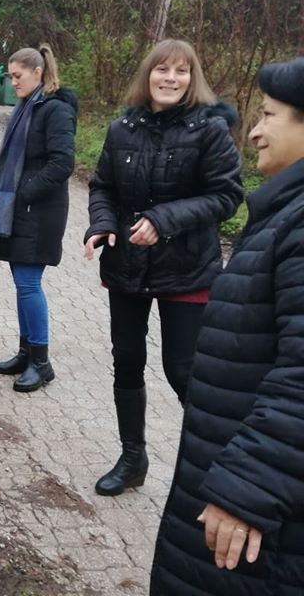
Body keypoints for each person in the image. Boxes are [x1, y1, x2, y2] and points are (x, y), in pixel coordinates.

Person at [150, 57, 304, 595]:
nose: (256, 132)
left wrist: (249, 486)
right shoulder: (287, 215)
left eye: (269, 115)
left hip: (259, 515)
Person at [83, 39, 243, 497]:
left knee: (184, 371)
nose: (171, 79)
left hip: (188, 269)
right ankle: (132, 458)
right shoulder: (121, 129)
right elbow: (103, 187)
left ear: (193, 79)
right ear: (147, 75)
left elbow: (227, 196)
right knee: (127, 362)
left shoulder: (209, 130)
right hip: (127, 266)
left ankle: (216, 471)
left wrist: (163, 219)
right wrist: (101, 225)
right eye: (162, 70)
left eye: (181, 71)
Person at [0, 44, 78, 393]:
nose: (13, 82)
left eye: (17, 76)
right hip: (19, 210)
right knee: (21, 283)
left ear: (38, 73)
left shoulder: (55, 110)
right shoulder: (26, 106)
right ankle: (25, 353)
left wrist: (24, 191)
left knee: (28, 283)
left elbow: (62, 163)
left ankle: (42, 362)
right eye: (10, 76)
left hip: (40, 211)